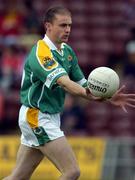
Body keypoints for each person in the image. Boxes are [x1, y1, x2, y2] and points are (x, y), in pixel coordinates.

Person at [3, 6, 135, 180]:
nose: (67, 30)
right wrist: (90, 94)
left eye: (70, 25)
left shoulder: (67, 51)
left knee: (18, 177)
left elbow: (83, 84)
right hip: (37, 116)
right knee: (72, 171)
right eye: (63, 25)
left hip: (46, 116)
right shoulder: (41, 53)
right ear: (48, 26)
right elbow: (65, 83)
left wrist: (108, 96)